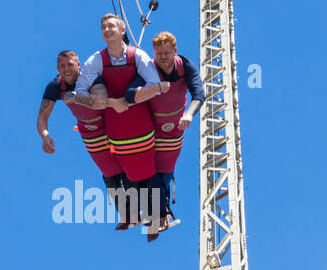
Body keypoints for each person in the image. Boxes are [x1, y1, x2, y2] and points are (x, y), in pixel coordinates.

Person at [73, 14, 169, 237]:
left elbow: (154, 84)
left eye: (111, 26)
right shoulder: (96, 60)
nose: (107, 30)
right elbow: (79, 92)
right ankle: (132, 213)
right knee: (129, 173)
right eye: (103, 27)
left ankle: (160, 215)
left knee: (147, 170)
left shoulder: (137, 56)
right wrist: (109, 102)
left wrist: (129, 99)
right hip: (115, 125)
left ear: (123, 30)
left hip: (140, 122)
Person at [125, 30, 205, 227]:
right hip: (150, 127)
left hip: (174, 128)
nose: (163, 58)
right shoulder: (149, 68)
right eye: (159, 54)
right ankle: (142, 209)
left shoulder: (184, 66)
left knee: (165, 171)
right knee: (143, 168)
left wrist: (189, 114)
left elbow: (199, 93)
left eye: (167, 53)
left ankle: (162, 212)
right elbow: (130, 94)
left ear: (175, 51)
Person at [37, 49, 126, 199]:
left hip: (110, 124)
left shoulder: (89, 77)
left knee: (129, 166)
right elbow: (42, 116)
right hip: (89, 131)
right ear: (58, 69)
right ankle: (128, 215)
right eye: (62, 66)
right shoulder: (55, 85)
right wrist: (45, 137)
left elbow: (100, 101)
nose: (66, 69)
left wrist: (75, 97)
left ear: (78, 65)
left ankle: (152, 209)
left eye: (70, 65)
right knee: (109, 174)